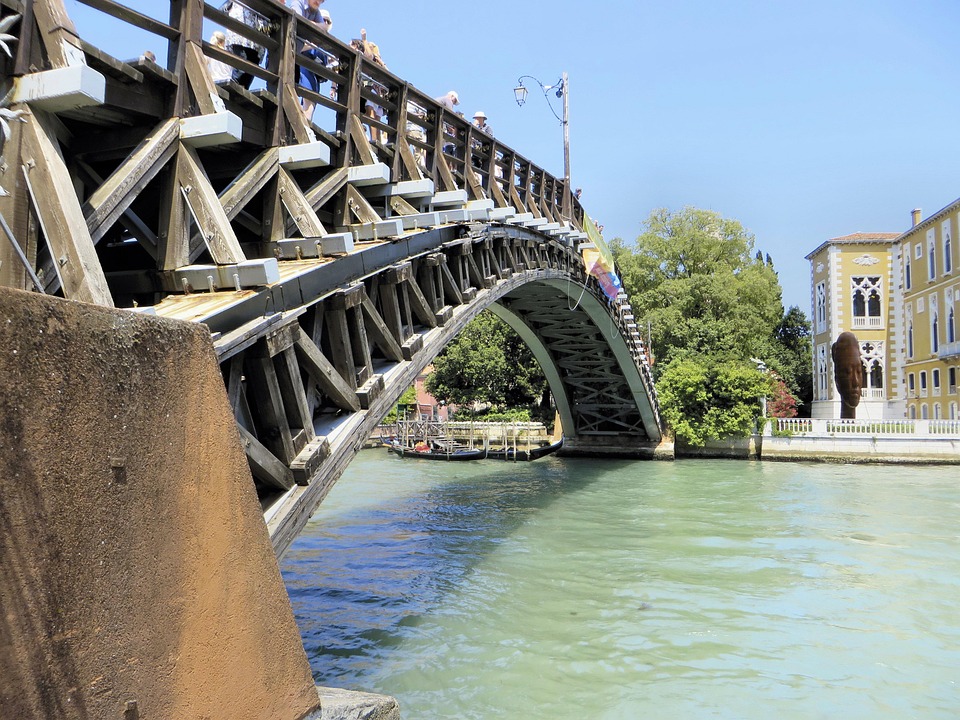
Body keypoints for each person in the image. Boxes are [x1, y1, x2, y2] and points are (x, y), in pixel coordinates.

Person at [296, 0, 332, 120]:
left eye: (328, 21)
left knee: (312, 92)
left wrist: (313, 24)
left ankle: (306, 119)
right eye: (324, 19)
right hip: (299, 62)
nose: (319, 1)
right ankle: (304, 118)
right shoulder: (299, 3)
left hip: (313, 71)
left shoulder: (315, 13)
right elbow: (296, 20)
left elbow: (324, 28)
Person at [351, 29, 388, 143]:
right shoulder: (371, 59)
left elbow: (370, 56)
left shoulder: (376, 60)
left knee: (374, 115)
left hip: (374, 92)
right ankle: (373, 138)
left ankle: (375, 140)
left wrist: (364, 40)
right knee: (370, 113)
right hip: (370, 91)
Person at [221, 0, 268, 89]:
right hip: (241, 27)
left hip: (258, 32)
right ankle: (232, 94)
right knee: (240, 69)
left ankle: (238, 95)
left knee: (250, 71)